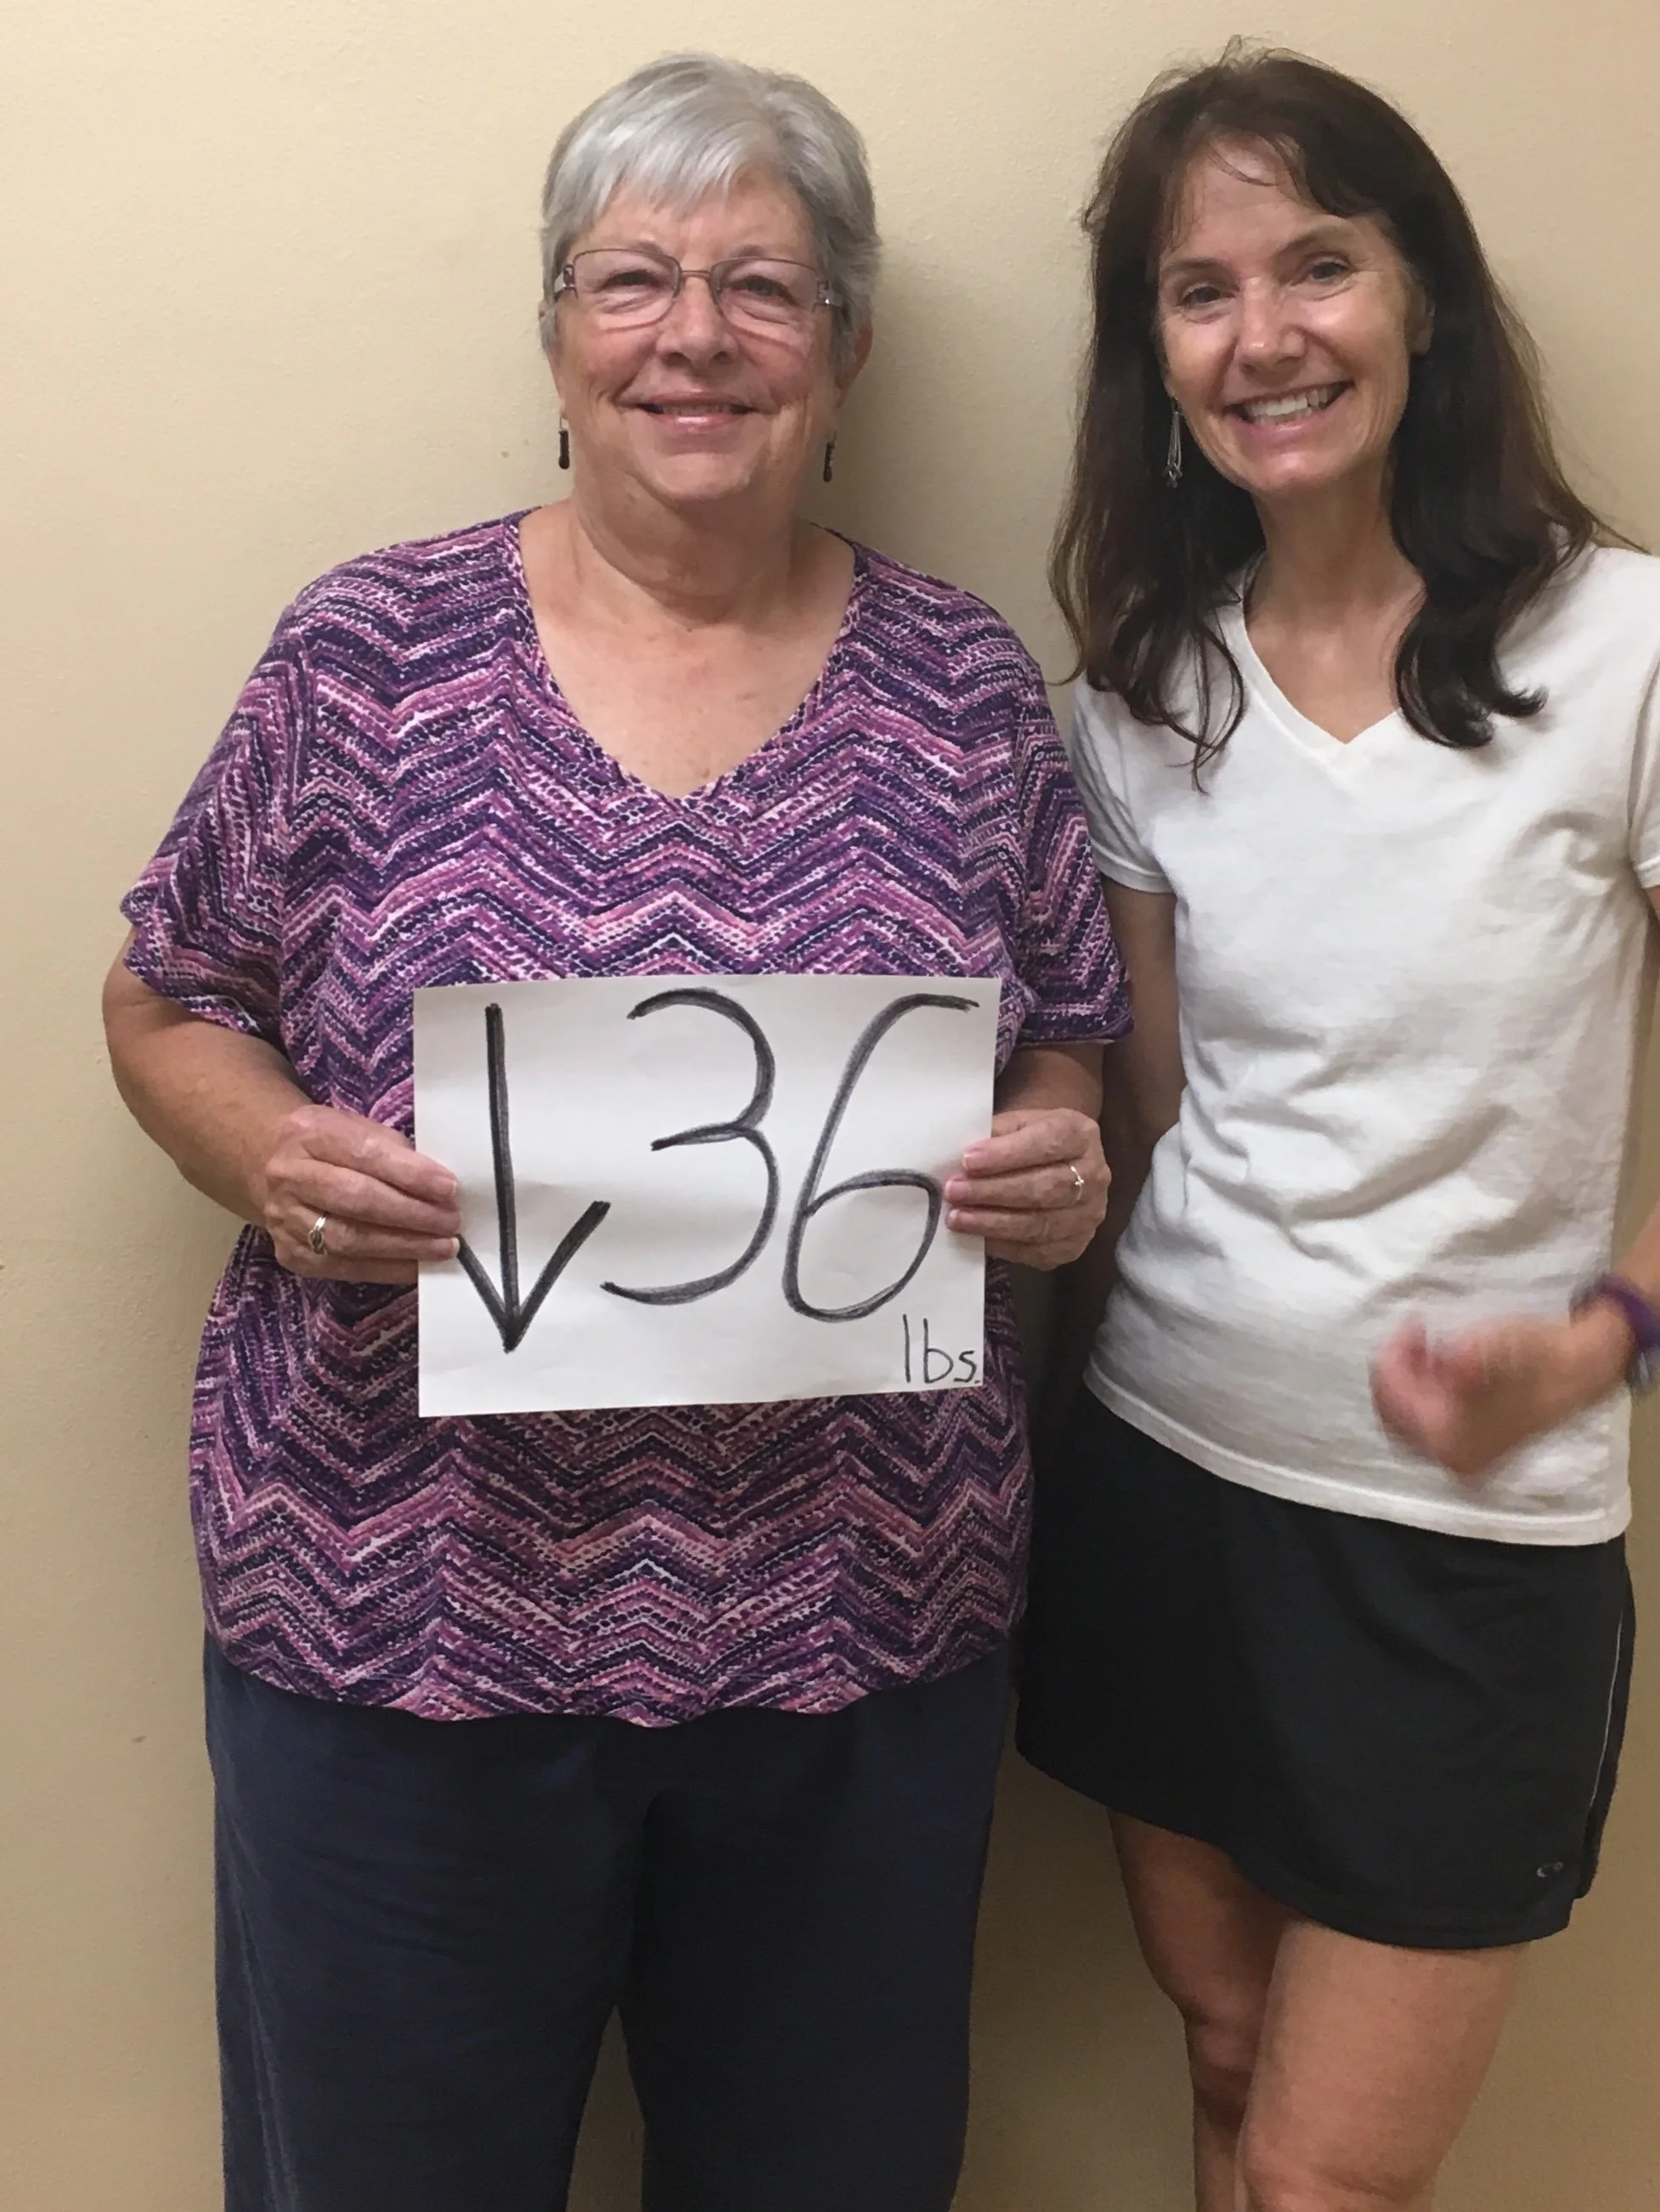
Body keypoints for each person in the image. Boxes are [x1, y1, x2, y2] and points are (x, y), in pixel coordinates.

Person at [103, 52, 1126, 2212]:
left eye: (763, 285)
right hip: (396, 1623)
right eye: (634, 278)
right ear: (558, 332)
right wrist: (267, 1150)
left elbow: (1066, 1039)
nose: (695, 336)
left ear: (846, 348)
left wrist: (1055, 1156)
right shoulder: (368, 653)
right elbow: (166, 988)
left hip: (856, 1636)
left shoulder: (964, 688)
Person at [1016, 45, 1660, 2212]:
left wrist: (1603, 1340)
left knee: (1328, 2174)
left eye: (1319, 265)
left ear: (1424, 300)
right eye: (1200, 290)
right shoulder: (1141, 692)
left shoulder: (1638, 642)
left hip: (1465, 1538)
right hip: (1168, 1478)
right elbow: (1152, 1109)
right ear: (1153, 356)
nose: (1263, 335)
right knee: (1220, 2061)